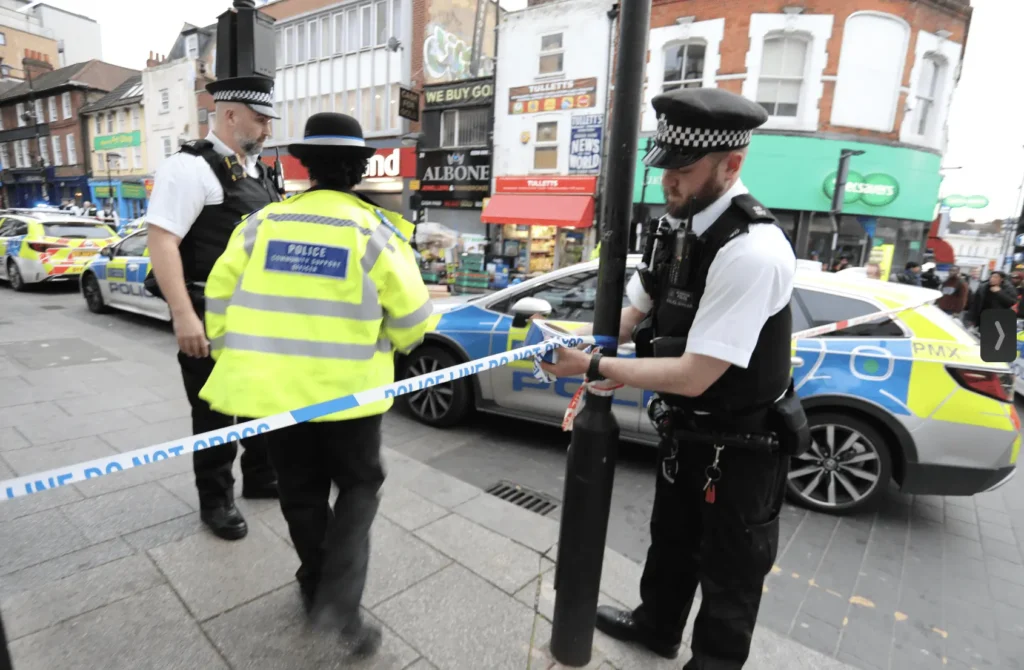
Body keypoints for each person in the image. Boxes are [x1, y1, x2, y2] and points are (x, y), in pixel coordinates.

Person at [541, 88, 803, 669]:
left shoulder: (753, 250)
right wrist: (577, 340)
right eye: (664, 167)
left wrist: (594, 367)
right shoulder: (674, 227)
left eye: (683, 170)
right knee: (672, 539)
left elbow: (695, 374)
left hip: (743, 442)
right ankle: (657, 627)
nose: (668, 182)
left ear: (731, 164)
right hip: (687, 432)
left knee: (731, 571)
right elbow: (635, 313)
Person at [198, 112, 432, 658]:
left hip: (275, 397)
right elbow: (414, 322)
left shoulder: (261, 225)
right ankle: (340, 600)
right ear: (359, 169)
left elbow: (219, 299)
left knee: (299, 492)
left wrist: (243, 357)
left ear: (306, 166)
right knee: (359, 486)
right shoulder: (375, 231)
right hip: (351, 398)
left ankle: (313, 582)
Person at [146, 75, 282, 540]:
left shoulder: (258, 171)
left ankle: (260, 477)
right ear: (229, 114)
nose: (267, 129)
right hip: (208, 312)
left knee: (259, 402)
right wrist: (184, 315)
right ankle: (216, 500)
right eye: (260, 119)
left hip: (255, 314)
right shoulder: (188, 168)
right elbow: (162, 241)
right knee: (213, 412)